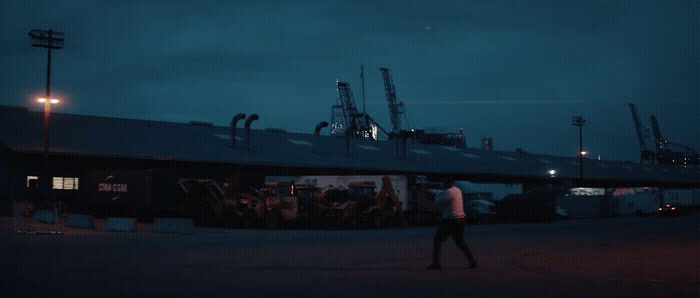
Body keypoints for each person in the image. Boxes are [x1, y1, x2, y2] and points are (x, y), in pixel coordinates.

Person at [427, 178, 477, 270]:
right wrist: (439, 193)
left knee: (437, 240)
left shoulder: (448, 192)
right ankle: (472, 261)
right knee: (460, 242)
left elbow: (437, 204)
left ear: (446, 183)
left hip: (450, 220)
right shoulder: (457, 190)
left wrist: (437, 194)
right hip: (460, 220)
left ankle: (436, 264)